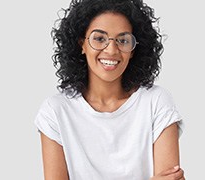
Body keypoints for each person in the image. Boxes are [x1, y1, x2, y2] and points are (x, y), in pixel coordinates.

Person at [34, 0, 185, 179]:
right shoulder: (55, 111)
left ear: (133, 50)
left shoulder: (156, 102)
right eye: (99, 39)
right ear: (82, 43)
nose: (112, 50)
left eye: (123, 40)